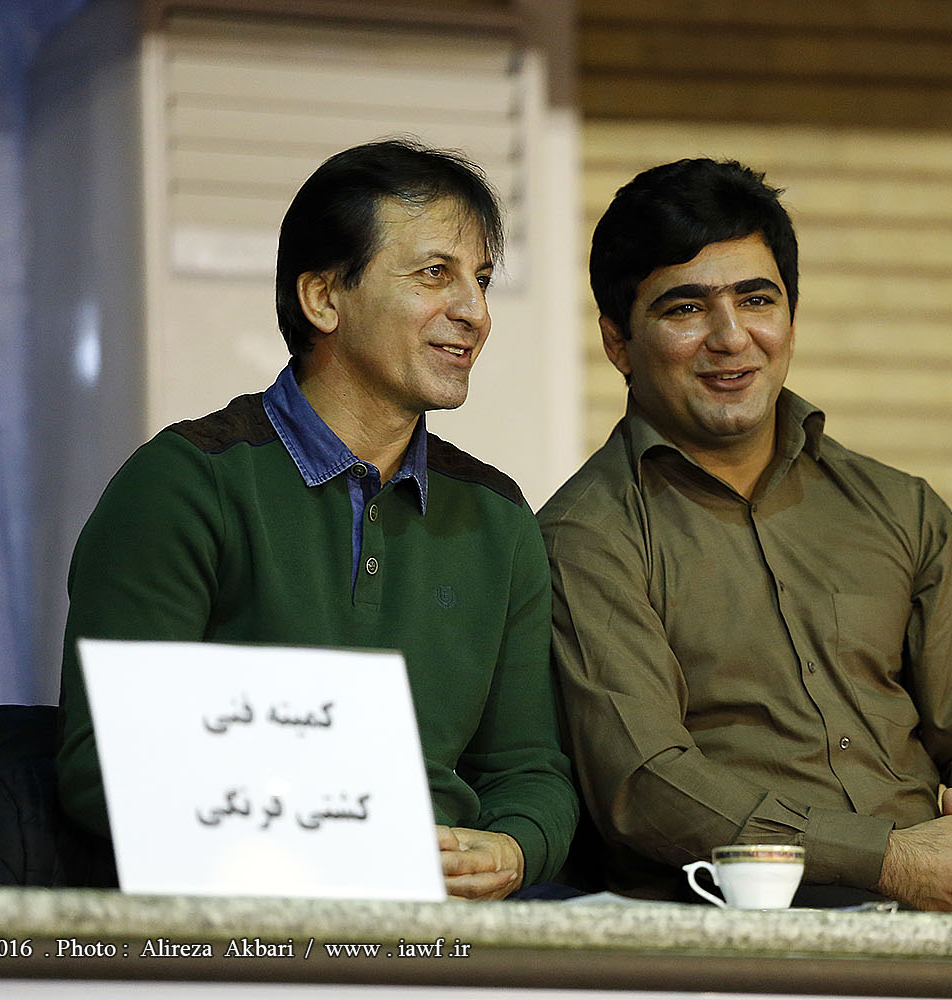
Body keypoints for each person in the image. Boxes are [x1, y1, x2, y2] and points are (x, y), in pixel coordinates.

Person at [539, 158, 952, 913]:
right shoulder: (587, 535)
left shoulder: (900, 508)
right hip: (743, 930)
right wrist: (886, 860)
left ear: (791, 315)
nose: (731, 338)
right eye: (685, 309)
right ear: (618, 342)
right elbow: (646, 781)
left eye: (757, 300)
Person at [56, 139, 577, 899]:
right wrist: (334, 843)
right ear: (323, 298)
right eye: (436, 274)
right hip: (236, 921)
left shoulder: (498, 517)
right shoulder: (186, 484)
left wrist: (512, 847)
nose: (475, 312)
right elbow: (102, 759)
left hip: (442, 928)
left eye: (482, 280)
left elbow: (530, 771)